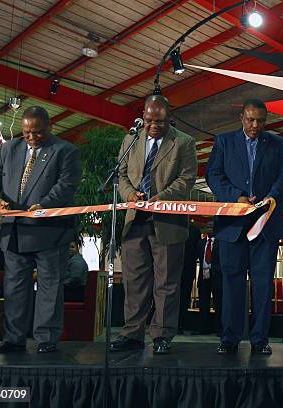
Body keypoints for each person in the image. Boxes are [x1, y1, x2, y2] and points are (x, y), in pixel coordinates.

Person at [0, 105, 81, 354]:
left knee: (50, 286)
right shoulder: (8, 148)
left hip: (49, 230)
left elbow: (66, 185)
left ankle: (46, 338)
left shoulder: (65, 151)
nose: (31, 137)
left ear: (49, 127)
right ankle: (13, 339)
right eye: (26, 132)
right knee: (14, 288)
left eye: (37, 132)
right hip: (13, 231)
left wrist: (44, 205)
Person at [110, 95, 197, 354]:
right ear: (143, 117)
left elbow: (187, 178)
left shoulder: (183, 142)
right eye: (148, 121)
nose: (152, 126)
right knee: (134, 281)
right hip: (135, 220)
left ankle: (162, 335)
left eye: (158, 121)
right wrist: (129, 195)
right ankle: (132, 334)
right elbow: (121, 173)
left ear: (169, 118)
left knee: (166, 282)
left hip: (167, 221)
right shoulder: (131, 139)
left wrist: (162, 197)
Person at [206, 99, 283, 355]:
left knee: (263, 284)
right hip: (232, 225)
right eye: (251, 120)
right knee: (232, 283)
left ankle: (260, 340)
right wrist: (236, 197)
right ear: (241, 118)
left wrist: (273, 197)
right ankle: (229, 338)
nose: (255, 125)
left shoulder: (277, 144)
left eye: (261, 121)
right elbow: (214, 175)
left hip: (265, 224)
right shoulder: (224, 142)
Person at [195, 231, 222, 335]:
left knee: (218, 303)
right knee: (203, 302)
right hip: (203, 277)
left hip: (217, 276)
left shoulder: (220, 242)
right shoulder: (201, 243)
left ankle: (219, 328)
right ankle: (203, 328)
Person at [178, 222, 201, 334]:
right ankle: (179, 325)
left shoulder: (194, 230)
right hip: (185, 267)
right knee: (183, 297)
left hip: (184, 268)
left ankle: (179, 324)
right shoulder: (195, 230)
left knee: (182, 297)